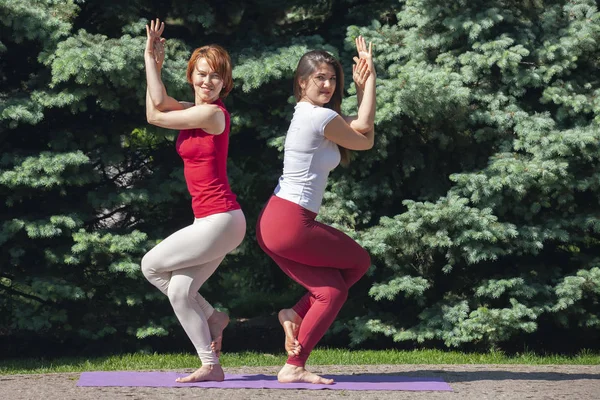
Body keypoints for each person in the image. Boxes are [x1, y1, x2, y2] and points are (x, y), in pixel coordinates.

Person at [256, 37, 376, 384]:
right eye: (320, 78)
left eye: (332, 78)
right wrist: (368, 84)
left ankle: (293, 319)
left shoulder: (313, 115)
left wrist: (359, 97)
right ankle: (294, 362)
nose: (327, 84)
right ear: (302, 82)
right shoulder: (319, 117)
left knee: (333, 288)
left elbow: (361, 135)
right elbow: (365, 132)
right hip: (290, 222)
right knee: (353, 268)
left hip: (279, 221)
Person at [140, 18, 246, 383]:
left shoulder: (212, 114)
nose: (207, 81)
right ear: (191, 75)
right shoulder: (192, 108)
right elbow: (162, 101)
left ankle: (212, 322)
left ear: (224, 83)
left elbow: (154, 114)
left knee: (151, 265)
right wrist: (151, 62)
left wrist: (150, 66)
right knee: (181, 290)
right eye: (201, 74)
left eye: (215, 77)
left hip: (220, 219)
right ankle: (211, 361)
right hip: (214, 221)